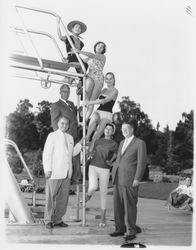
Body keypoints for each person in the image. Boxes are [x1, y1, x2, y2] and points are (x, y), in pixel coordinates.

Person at [43, 116, 83, 229]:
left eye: (66, 124)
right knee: (50, 198)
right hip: (54, 172)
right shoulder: (52, 136)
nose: (64, 125)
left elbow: (72, 153)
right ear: (58, 123)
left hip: (66, 173)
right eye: (62, 123)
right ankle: (48, 220)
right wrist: (47, 169)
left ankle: (57, 219)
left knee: (63, 198)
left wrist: (80, 144)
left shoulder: (70, 137)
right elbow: (47, 153)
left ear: (69, 125)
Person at [110, 120, 147, 241]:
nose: (124, 130)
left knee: (130, 207)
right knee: (117, 207)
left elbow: (141, 163)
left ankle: (131, 231)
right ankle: (119, 229)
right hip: (117, 179)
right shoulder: (121, 142)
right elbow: (120, 159)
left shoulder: (139, 143)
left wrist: (137, 178)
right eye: (122, 128)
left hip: (130, 180)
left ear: (132, 129)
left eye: (126, 128)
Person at [84, 123, 118, 227]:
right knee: (93, 187)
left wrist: (111, 162)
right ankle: (86, 197)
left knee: (103, 194)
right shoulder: (98, 141)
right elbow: (90, 151)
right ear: (103, 130)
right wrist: (89, 154)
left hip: (105, 169)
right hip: (93, 167)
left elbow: (116, 154)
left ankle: (103, 219)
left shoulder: (114, 144)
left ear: (113, 132)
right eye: (106, 128)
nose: (107, 130)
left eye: (110, 129)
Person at [51, 84, 81, 194]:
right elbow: (54, 122)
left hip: (75, 136)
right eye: (64, 91)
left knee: (75, 158)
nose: (66, 93)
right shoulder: (56, 105)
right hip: (65, 136)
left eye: (68, 91)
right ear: (60, 92)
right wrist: (59, 137)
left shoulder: (71, 104)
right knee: (65, 159)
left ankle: (75, 180)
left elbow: (75, 118)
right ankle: (64, 182)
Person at [85, 72, 118, 150]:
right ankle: (86, 138)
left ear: (113, 80)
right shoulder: (103, 90)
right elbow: (95, 97)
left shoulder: (115, 91)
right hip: (99, 111)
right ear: (105, 80)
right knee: (94, 118)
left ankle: (90, 152)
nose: (109, 80)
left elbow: (104, 101)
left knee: (96, 136)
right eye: (107, 78)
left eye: (110, 78)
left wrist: (90, 102)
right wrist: (86, 92)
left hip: (107, 114)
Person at [76, 41, 106, 120]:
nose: (99, 47)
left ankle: (85, 120)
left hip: (98, 78)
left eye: (101, 47)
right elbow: (80, 60)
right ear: (95, 47)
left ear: (103, 49)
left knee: (92, 101)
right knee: (87, 89)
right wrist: (73, 54)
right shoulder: (89, 58)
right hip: (90, 76)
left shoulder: (102, 57)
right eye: (98, 46)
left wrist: (79, 51)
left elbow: (92, 55)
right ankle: (83, 106)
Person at [57, 18, 88, 83]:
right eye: (76, 27)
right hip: (71, 57)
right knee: (82, 65)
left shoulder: (81, 43)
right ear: (72, 29)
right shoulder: (69, 37)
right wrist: (58, 25)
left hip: (77, 58)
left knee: (85, 65)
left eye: (79, 28)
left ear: (80, 31)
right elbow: (60, 37)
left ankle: (80, 82)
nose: (77, 28)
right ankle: (77, 80)